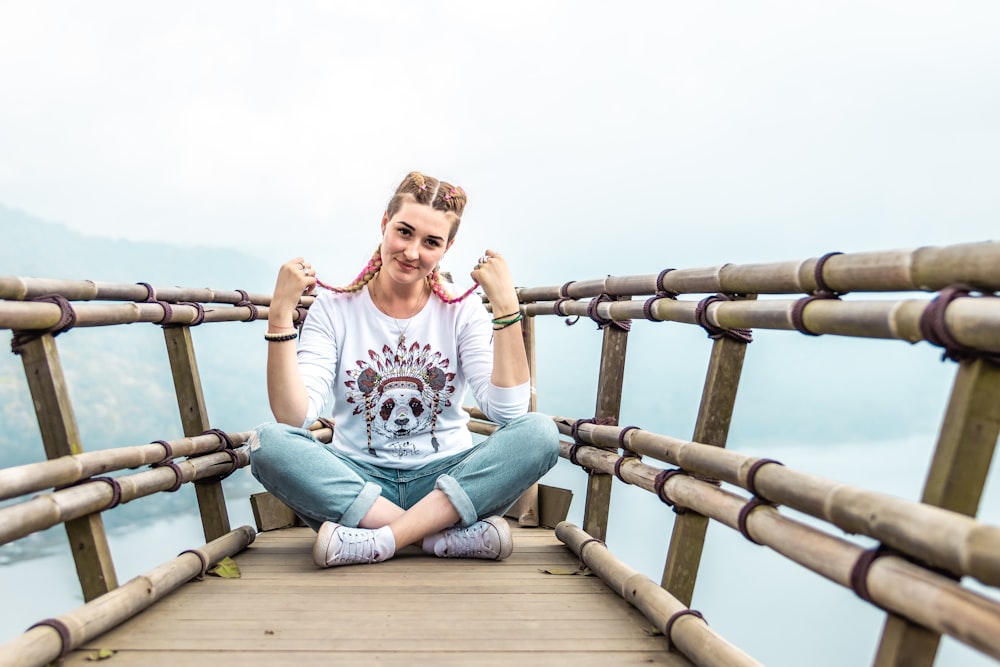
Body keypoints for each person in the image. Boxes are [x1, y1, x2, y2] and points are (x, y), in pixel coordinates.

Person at [250, 171, 561, 568]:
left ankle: (380, 541)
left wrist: (506, 309)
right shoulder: (334, 310)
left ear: (447, 248)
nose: (412, 252)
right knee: (267, 443)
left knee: (540, 433)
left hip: (447, 482)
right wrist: (280, 318)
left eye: (431, 242)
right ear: (384, 224)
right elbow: (294, 417)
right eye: (404, 232)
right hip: (360, 483)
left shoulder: (460, 312)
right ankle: (435, 538)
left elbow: (510, 411)